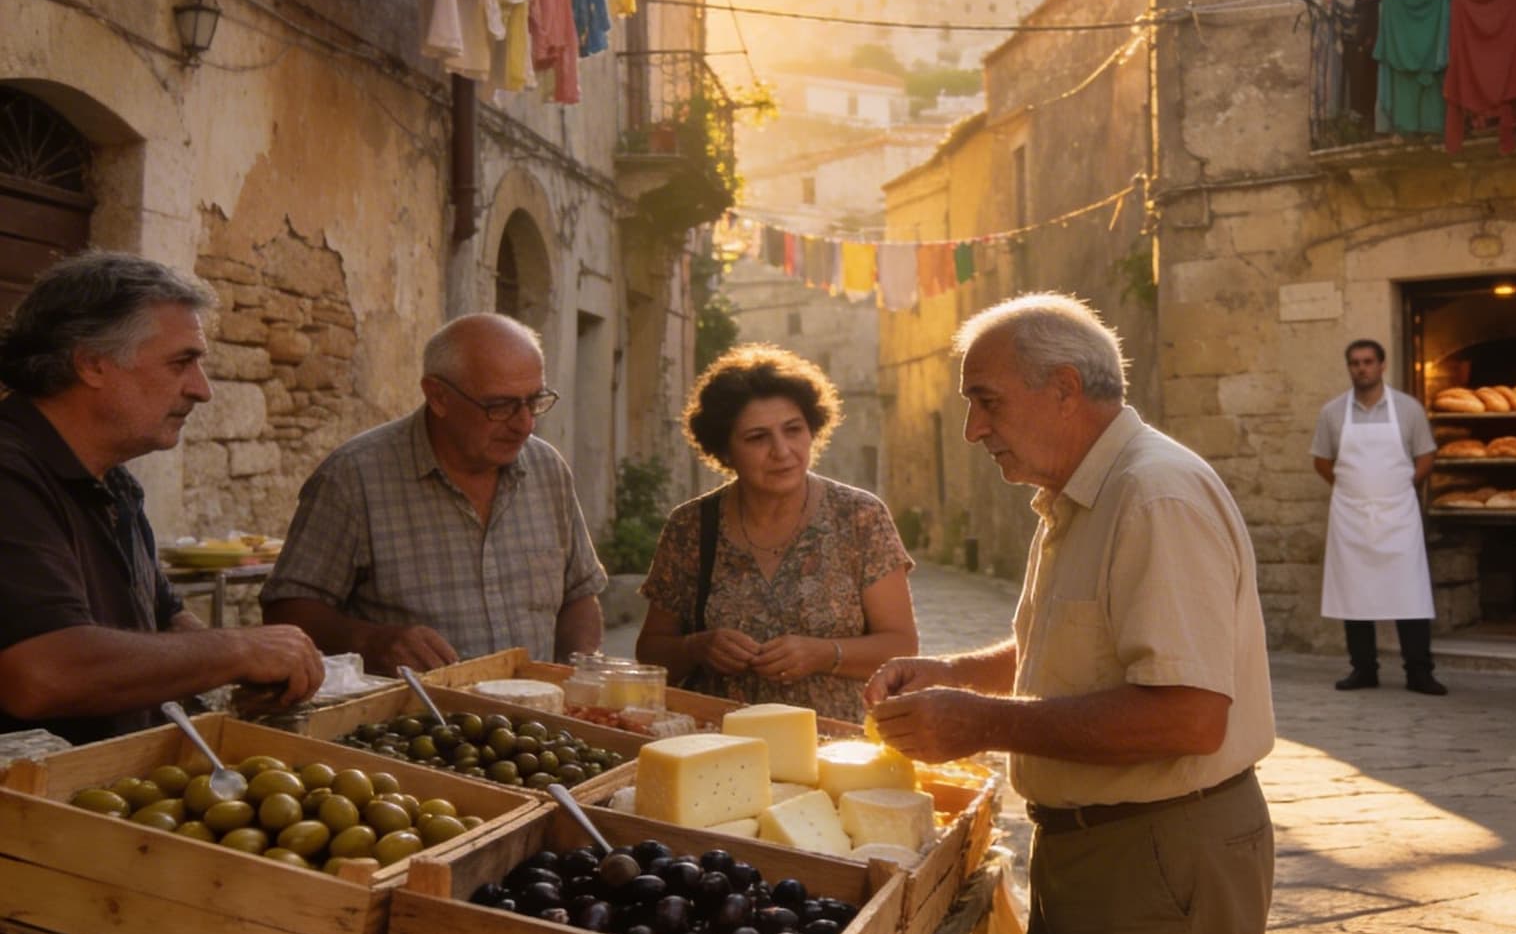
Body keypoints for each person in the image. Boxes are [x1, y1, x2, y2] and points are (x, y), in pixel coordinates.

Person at [865, 294, 1275, 934]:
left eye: (986, 401)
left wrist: (979, 722)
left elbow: (1188, 714)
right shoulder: (1081, 493)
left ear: (1062, 387)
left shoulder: (1154, 496)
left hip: (1157, 851)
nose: (975, 430)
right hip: (1097, 847)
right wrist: (959, 671)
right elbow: (1070, 646)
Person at [0, 252, 325, 746]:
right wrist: (236, 650)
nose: (203, 390)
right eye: (181, 363)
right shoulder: (10, 474)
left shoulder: (115, 483)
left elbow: (165, 620)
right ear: (91, 363)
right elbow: (42, 673)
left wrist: (239, 675)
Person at [263, 313, 606, 673]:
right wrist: (369, 641)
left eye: (534, 401)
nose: (525, 424)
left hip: (537, 721)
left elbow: (580, 593)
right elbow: (285, 610)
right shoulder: (353, 479)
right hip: (414, 720)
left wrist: (575, 676)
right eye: (500, 406)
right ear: (438, 397)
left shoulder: (547, 469)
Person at [637, 344, 916, 724]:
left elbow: (902, 647)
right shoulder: (690, 527)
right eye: (757, 437)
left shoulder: (860, 517)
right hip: (718, 745)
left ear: (813, 430)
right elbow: (650, 654)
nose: (782, 451)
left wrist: (823, 654)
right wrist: (697, 647)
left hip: (835, 749)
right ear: (725, 450)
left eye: (793, 430)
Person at [1312, 337, 1447, 694]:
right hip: (1351, 516)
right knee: (1354, 594)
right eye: (1355, 362)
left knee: (1410, 592)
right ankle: (1363, 669)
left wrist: (1403, 483)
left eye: (1368, 361)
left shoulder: (1408, 409)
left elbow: (1426, 455)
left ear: (1382, 365)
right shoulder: (1332, 413)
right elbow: (1322, 461)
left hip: (1398, 513)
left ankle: (1419, 672)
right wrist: (1354, 491)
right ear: (1349, 368)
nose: (1362, 368)